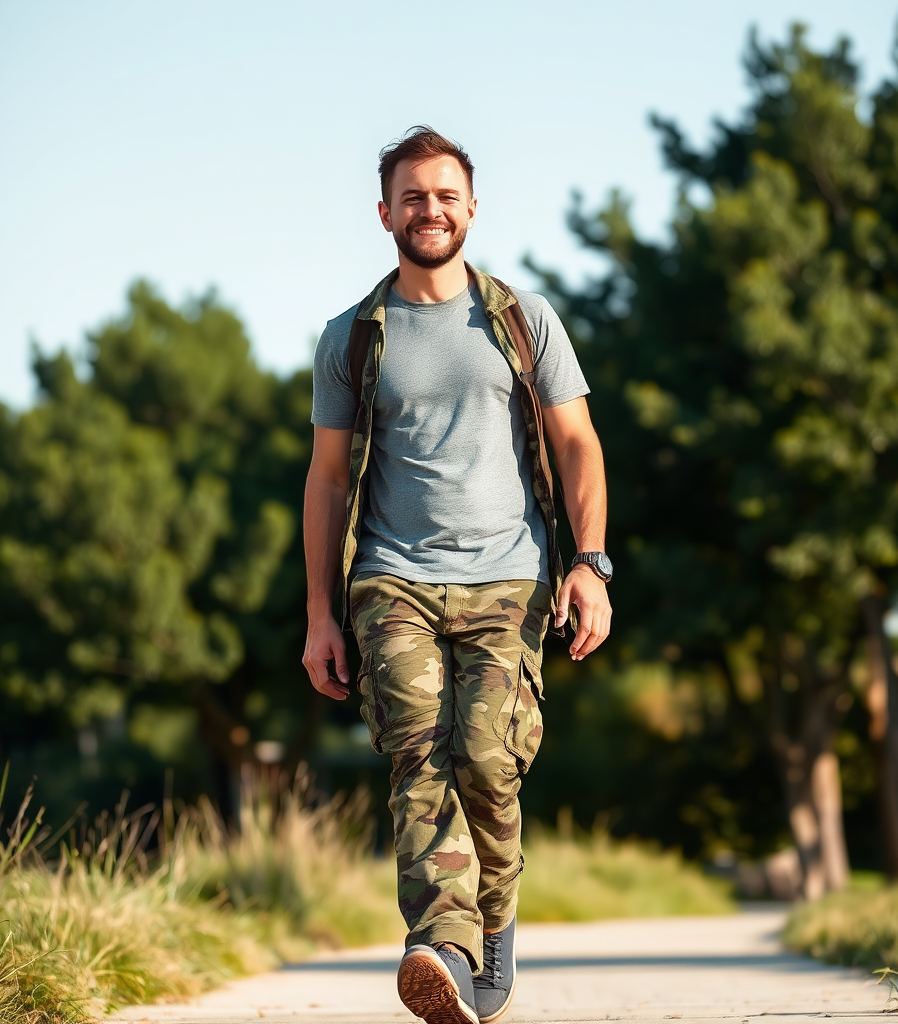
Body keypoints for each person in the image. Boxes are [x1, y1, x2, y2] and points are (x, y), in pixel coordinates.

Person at [301, 126, 612, 1024]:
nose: (428, 210)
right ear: (384, 213)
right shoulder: (352, 337)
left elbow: (578, 444)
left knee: (487, 761)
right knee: (419, 757)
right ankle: (440, 945)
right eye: (411, 196)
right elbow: (326, 480)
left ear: (471, 208)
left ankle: (494, 929)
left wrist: (589, 565)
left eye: (444, 195)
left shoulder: (523, 319)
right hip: (391, 576)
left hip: (510, 577)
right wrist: (321, 612)